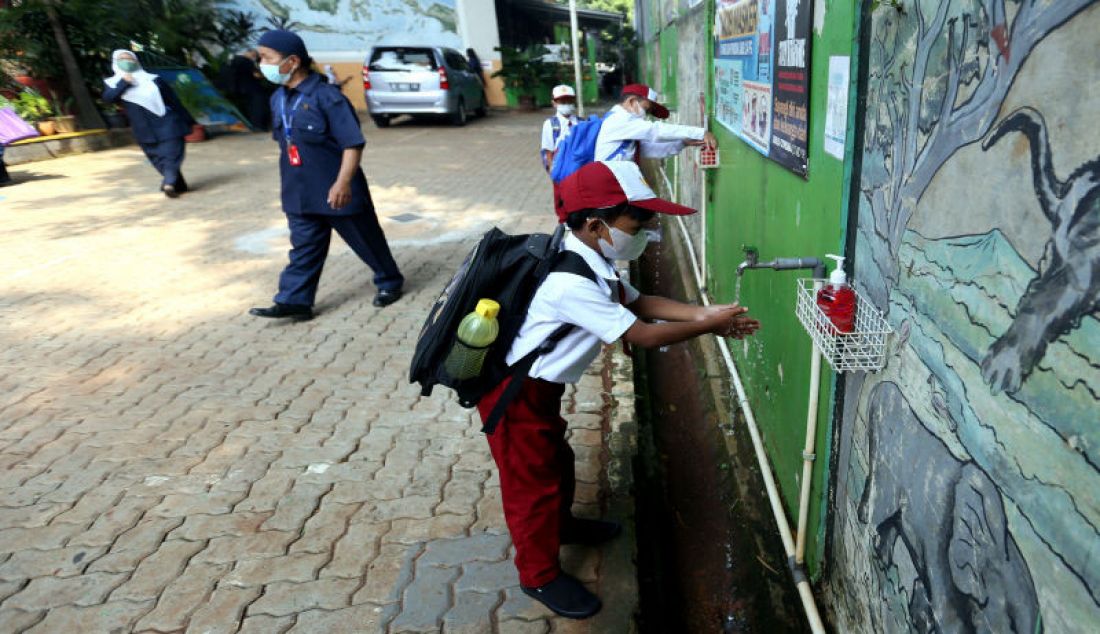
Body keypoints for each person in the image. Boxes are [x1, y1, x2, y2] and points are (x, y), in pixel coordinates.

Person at [477, 160, 760, 619]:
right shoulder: (570, 280)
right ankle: (538, 575)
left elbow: (640, 301)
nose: (648, 230)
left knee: (556, 460)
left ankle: (562, 525)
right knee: (532, 484)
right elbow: (642, 333)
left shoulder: (593, 258)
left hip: (539, 391)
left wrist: (706, 314)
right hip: (514, 395)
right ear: (596, 224)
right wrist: (711, 330)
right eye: (639, 221)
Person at [249, 30, 404, 321]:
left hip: (337, 190)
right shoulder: (278, 98)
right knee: (304, 248)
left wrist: (343, 182)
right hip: (299, 191)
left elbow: (352, 143)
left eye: (267, 58)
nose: (262, 63)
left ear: (292, 61)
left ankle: (389, 281)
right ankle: (294, 300)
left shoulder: (328, 97)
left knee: (366, 239)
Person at [102, 50, 196, 198]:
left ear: (137, 61)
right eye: (122, 59)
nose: (127, 61)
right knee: (157, 156)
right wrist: (124, 83)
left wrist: (188, 120)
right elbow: (108, 99)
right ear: (115, 62)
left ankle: (169, 183)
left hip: (167, 120)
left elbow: (173, 100)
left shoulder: (154, 79)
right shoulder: (113, 83)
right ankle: (177, 185)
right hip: (143, 127)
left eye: (130, 58)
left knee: (172, 153)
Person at [594, 83, 716, 163]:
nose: (645, 116)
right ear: (631, 102)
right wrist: (700, 133)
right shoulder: (619, 120)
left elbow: (650, 149)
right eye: (646, 110)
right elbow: (655, 131)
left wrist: (683, 143)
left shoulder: (626, 128)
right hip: (608, 183)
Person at [219, 49, 272, 131]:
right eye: (254, 55)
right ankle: (259, 126)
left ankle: (253, 125)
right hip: (251, 88)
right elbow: (256, 75)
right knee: (258, 106)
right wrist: (266, 75)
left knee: (250, 107)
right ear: (249, 53)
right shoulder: (246, 61)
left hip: (238, 89)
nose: (254, 57)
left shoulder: (231, 61)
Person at [540, 85, 580, 174]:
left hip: (580, 169)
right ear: (554, 103)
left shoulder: (581, 122)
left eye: (569, 101)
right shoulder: (550, 124)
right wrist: (552, 170)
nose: (566, 104)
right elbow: (548, 151)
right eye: (562, 101)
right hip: (561, 170)